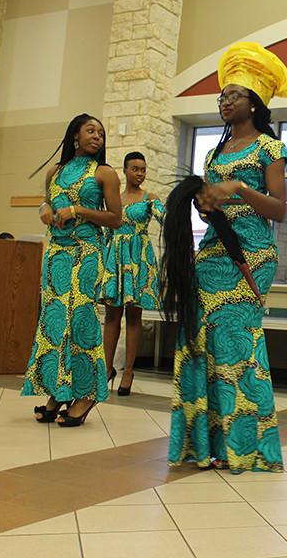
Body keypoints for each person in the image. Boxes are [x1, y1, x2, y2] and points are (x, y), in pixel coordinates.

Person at [161, 41, 287, 473]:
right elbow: (212, 201)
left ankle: (248, 446)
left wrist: (238, 189)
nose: (224, 100)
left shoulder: (270, 150)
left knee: (236, 341)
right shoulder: (215, 154)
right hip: (212, 252)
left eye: (233, 95)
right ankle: (207, 443)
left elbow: (280, 209)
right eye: (222, 95)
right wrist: (205, 205)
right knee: (202, 341)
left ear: (253, 104)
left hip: (251, 255)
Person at [21, 113, 122, 427]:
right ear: (75, 136)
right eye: (90, 131)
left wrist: (78, 210)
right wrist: (45, 210)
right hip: (56, 254)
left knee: (80, 319)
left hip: (86, 253)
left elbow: (116, 218)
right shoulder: (56, 171)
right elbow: (44, 203)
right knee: (54, 322)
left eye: (101, 133)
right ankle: (58, 389)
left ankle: (87, 393)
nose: (97, 137)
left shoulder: (104, 173)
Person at [101, 151, 164, 396]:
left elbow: (165, 217)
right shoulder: (114, 198)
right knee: (111, 315)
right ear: (125, 170)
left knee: (134, 316)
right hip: (115, 258)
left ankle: (128, 370)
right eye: (135, 169)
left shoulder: (150, 198)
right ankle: (106, 368)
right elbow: (107, 228)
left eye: (143, 169)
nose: (140, 173)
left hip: (139, 258)